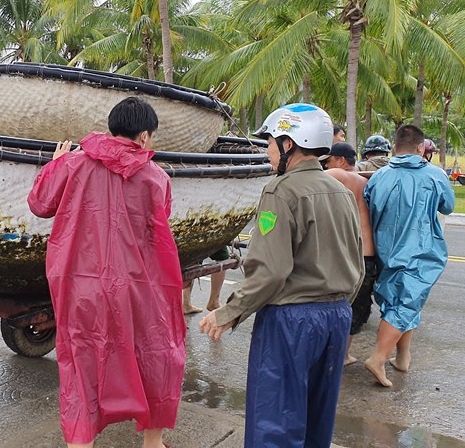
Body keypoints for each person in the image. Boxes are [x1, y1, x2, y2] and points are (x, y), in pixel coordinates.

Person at [198, 103, 363, 448]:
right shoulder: (343, 193)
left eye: (271, 142)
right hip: (336, 317)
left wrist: (228, 312)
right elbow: (356, 265)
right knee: (316, 422)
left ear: (290, 143)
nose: (268, 151)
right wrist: (332, 308)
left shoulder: (281, 191)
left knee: (274, 424)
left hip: (291, 322)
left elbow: (270, 271)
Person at [27, 97, 186, 448]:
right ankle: (153, 443)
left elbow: (40, 204)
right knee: (155, 355)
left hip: (81, 286)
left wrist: (54, 166)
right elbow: (159, 225)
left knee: (82, 365)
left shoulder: (72, 164)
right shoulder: (157, 178)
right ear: (144, 136)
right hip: (139, 288)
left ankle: (81, 442)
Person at [362, 125, 455, 387]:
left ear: (394, 147)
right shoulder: (434, 175)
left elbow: (369, 205)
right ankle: (378, 357)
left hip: (385, 249)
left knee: (399, 302)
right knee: (406, 303)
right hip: (420, 250)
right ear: (420, 148)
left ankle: (403, 356)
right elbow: (447, 205)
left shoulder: (380, 177)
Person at [321, 142, 378, 365]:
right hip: (369, 256)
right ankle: (343, 354)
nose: (326, 166)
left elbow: (315, 177)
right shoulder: (368, 182)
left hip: (349, 256)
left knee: (334, 304)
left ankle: (329, 353)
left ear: (341, 161)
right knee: (355, 310)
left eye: (328, 161)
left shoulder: (340, 176)